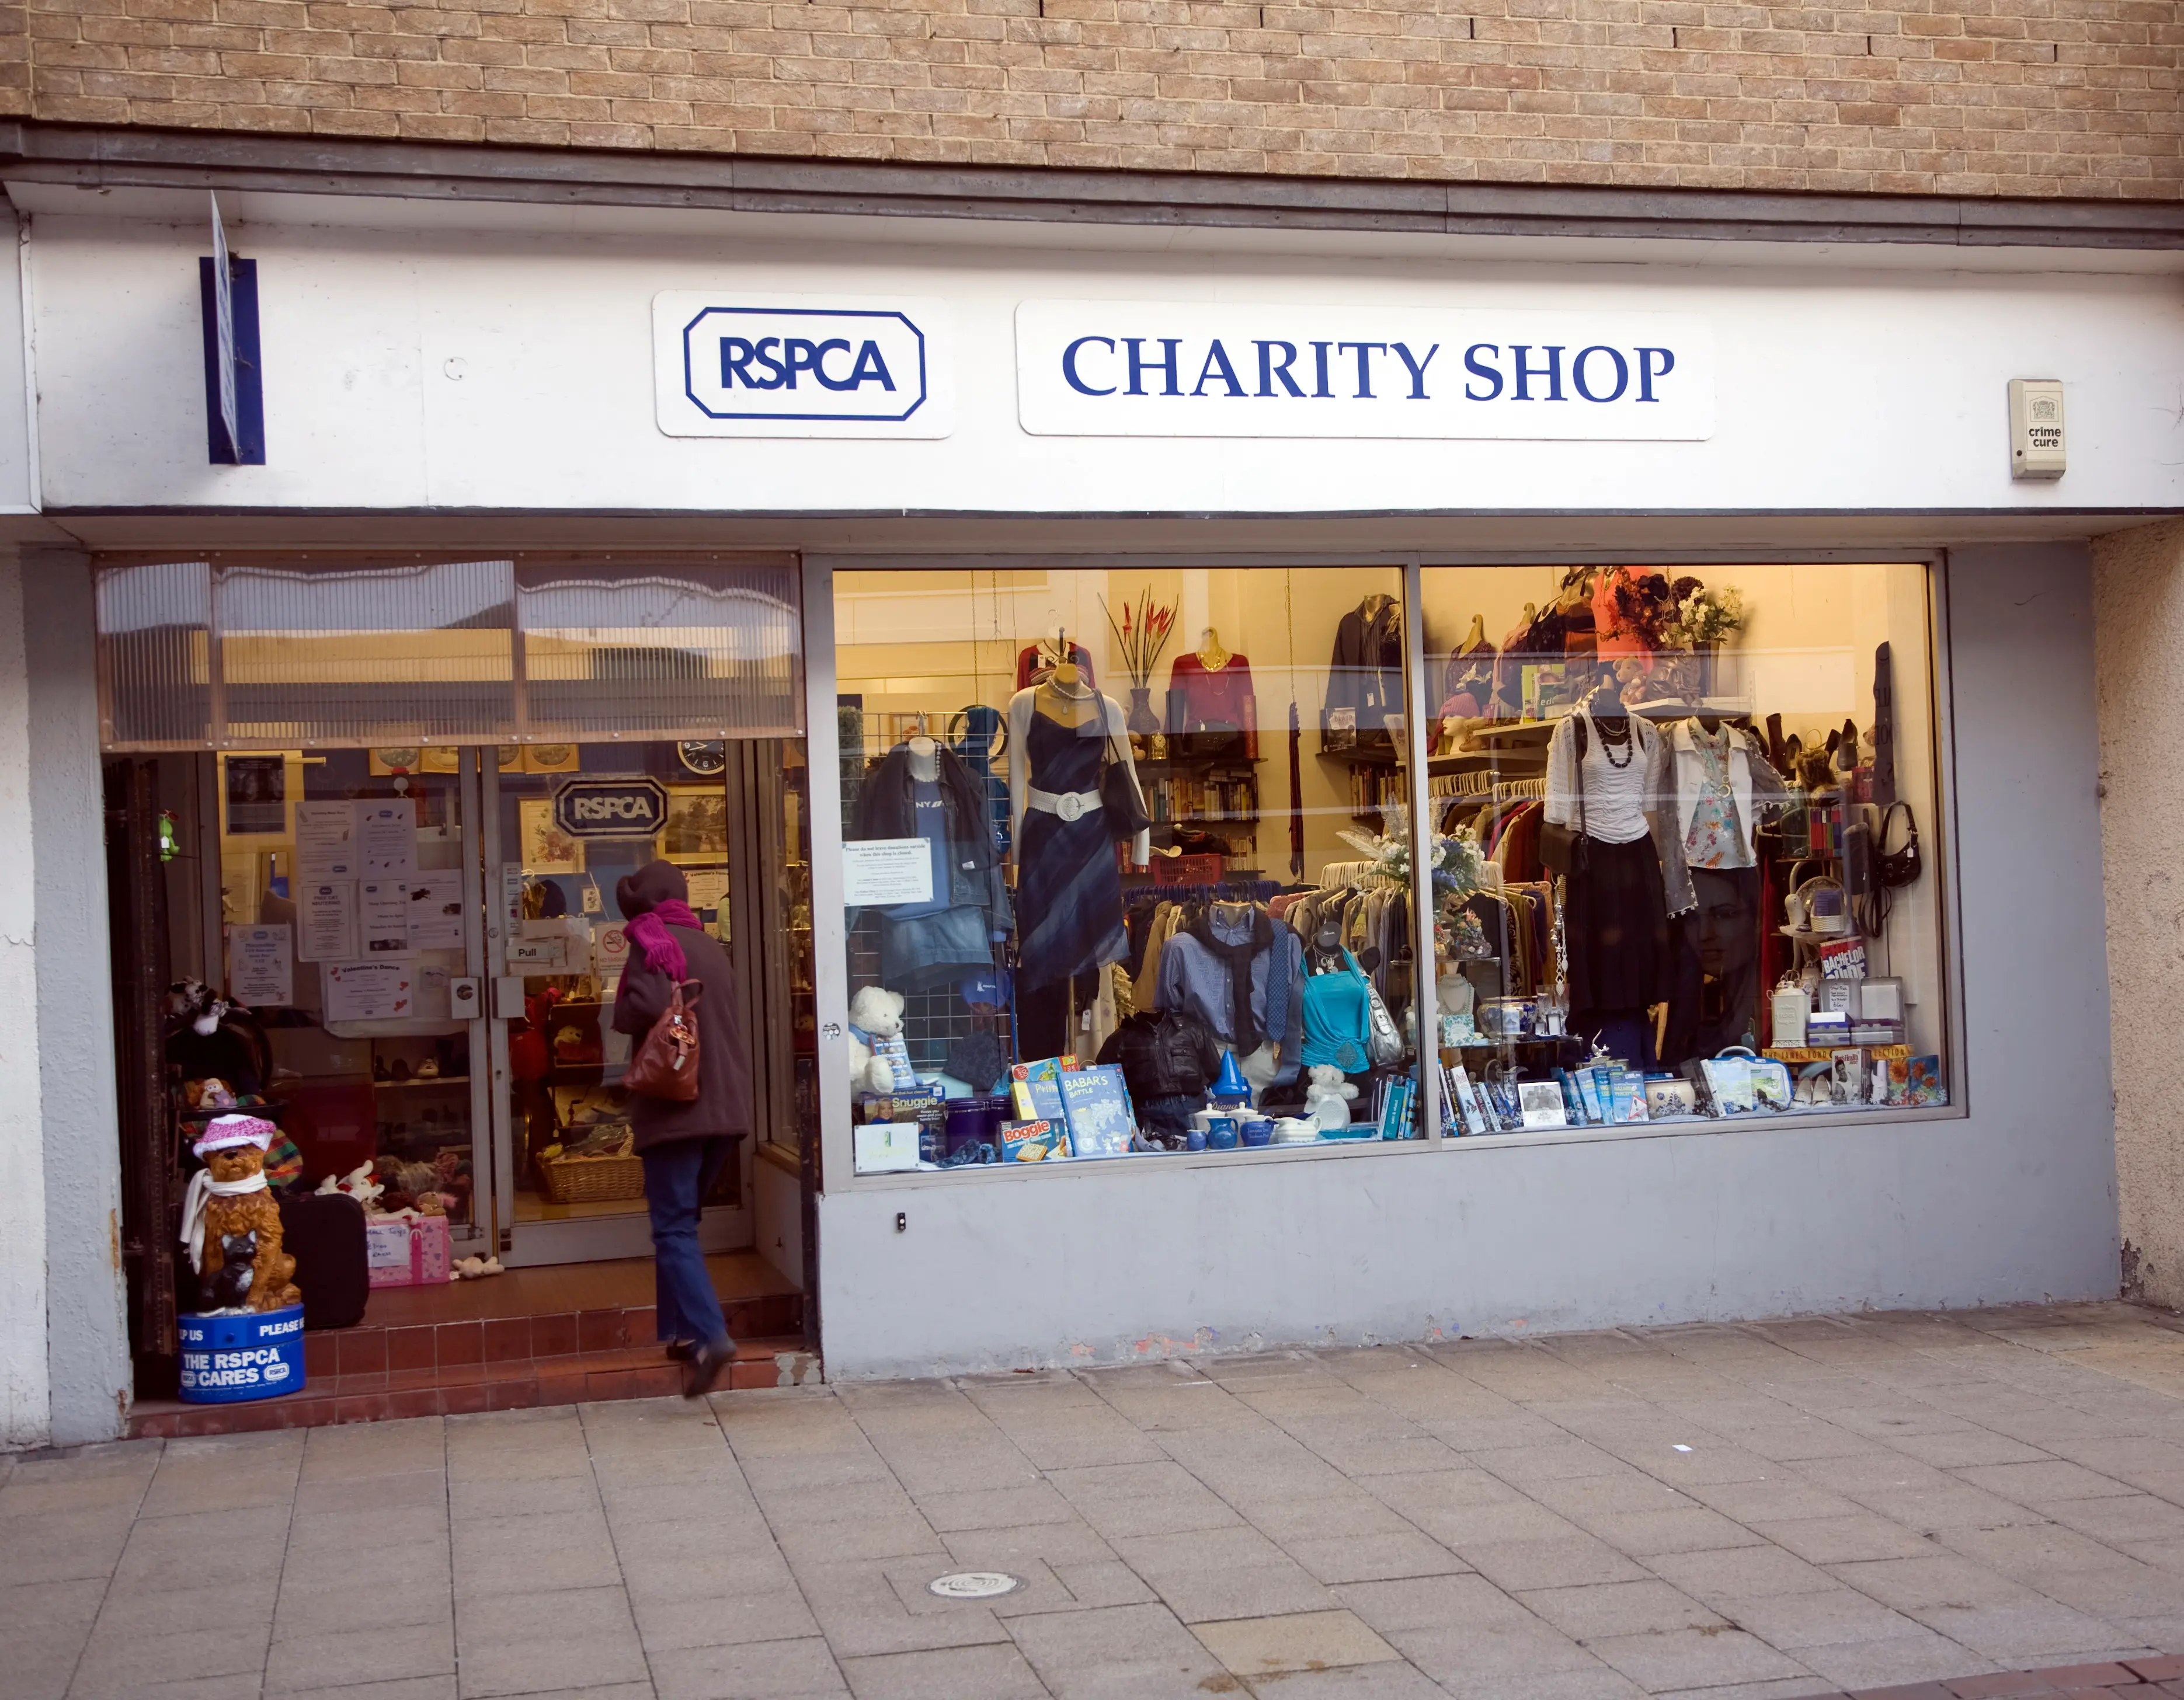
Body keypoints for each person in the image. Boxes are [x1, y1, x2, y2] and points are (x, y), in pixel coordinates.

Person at [610, 860, 752, 1396]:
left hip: (677, 1104)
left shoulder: (651, 940)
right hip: (725, 1107)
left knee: (672, 1227)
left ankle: (711, 1335)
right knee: (684, 1221)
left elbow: (641, 1008)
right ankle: (680, 1331)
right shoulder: (710, 945)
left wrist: (622, 1007)